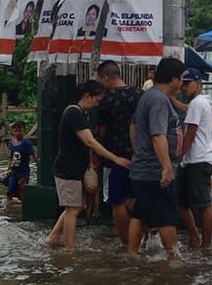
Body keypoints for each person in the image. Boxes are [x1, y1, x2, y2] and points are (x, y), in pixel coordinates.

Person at [47, 80, 130, 252]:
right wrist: (115, 158)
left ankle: (54, 237)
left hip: (73, 168)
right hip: (67, 169)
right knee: (73, 209)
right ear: (87, 96)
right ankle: (70, 249)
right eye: (97, 99)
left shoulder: (78, 113)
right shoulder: (74, 114)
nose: (98, 103)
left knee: (74, 206)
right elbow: (90, 142)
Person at [128, 57, 185, 259]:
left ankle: (132, 254)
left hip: (142, 169)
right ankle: (174, 259)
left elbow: (133, 126)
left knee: (140, 213)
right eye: (181, 79)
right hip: (155, 172)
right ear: (173, 79)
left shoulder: (148, 96)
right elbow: (158, 135)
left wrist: (139, 153)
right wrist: (166, 167)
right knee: (167, 216)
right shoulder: (159, 100)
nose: (182, 84)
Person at [95, 60, 142, 244]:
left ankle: (126, 242)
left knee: (117, 201)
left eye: (100, 79)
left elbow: (102, 130)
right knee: (133, 197)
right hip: (139, 156)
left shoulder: (107, 98)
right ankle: (140, 236)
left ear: (106, 77)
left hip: (114, 157)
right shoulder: (140, 94)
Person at [177, 68, 212, 249]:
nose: (184, 87)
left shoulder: (196, 104)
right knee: (182, 202)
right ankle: (195, 237)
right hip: (198, 159)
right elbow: (186, 110)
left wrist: (179, 155)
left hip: (197, 160)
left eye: (187, 83)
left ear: (198, 83)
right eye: (182, 84)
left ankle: (205, 245)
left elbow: (190, 133)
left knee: (203, 205)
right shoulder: (204, 101)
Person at [0, 122, 36, 202]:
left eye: (20, 131)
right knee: (9, 191)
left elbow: (33, 155)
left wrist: (38, 164)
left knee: (21, 191)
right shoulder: (12, 143)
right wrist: (8, 169)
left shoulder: (27, 144)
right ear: (13, 132)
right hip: (14, 172)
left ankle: (21, 208)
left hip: (23, 172)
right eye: (15, 131)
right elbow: (11, 157)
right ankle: (10, 207)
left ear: (24, 131)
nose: (18, 133)